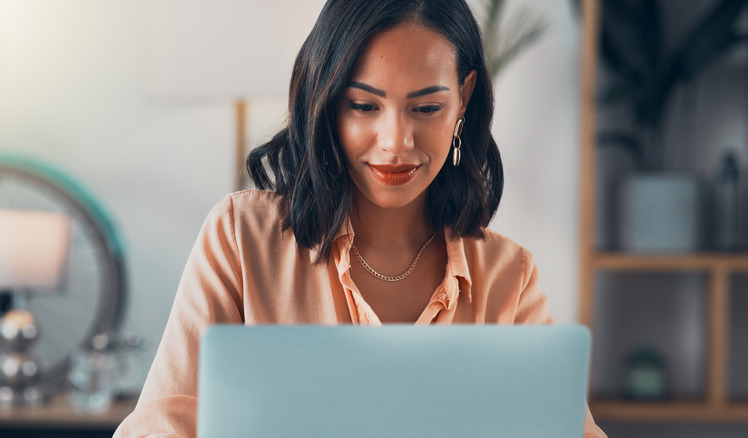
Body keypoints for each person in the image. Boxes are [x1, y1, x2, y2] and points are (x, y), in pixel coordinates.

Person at [115, 0, 606, 436]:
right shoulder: (241, 239)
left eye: (428, 107)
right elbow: (162, 424)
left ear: (464, 99)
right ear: (326, 103)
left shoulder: (508, 278)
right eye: (364, 106)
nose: (395, 142)